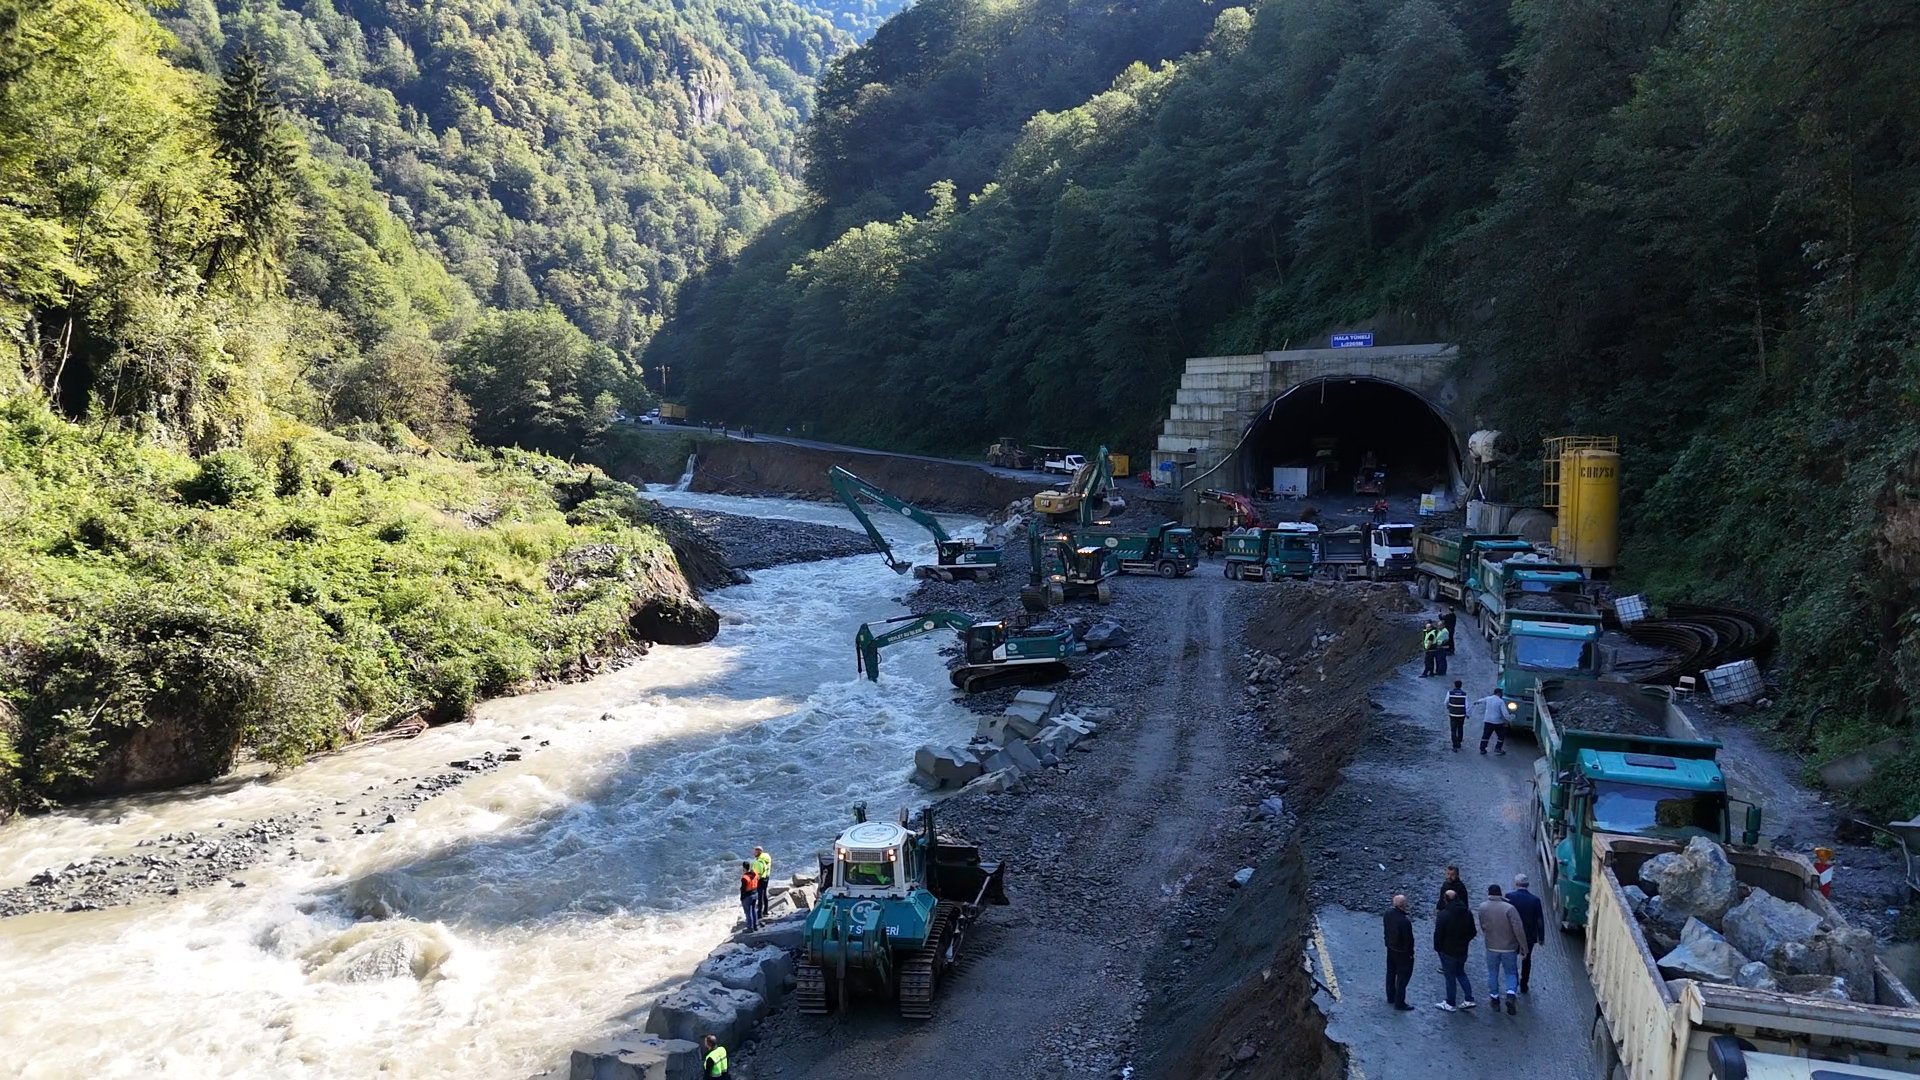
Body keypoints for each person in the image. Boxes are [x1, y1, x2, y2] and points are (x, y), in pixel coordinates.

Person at [1478, 884, 1528, 1014]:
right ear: (1500, 893)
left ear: (1489, 893)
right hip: (1509, 948)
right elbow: (1518, 929)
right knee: (1510, 972)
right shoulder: (1509, 908)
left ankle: (1494, 999)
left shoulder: (1482, 907)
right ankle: (1510, 995)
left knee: (1492, 973)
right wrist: (1523, 946)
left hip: (1491, 946)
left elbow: (1483, 926)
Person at [1432, 889, 1477, 1011]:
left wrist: (1438, 948)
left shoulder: (1443, 915)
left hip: (1447, 951)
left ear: (1445, 900)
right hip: (1462, 950)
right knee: (1461, 973)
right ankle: (1469, 999)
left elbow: (1438, 934)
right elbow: (1473, 932)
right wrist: (1464, 941)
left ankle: (1450, 1002)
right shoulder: (1467, 913)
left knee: (1450, 977)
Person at [1507, 874, 1546, 994]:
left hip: (1512, 934)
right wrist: (1541, 937)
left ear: (1516, 884)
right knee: (1527, 959)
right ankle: (1524, 984)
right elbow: (1539, 919)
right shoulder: (1535, 900)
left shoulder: (1509, 897)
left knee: (1512, 957)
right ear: (1527, 885)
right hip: (1529, 935)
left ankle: (1513, 982)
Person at [1383, 894, 1415, 1011]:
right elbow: (1409, 941)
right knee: (1402, 978)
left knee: (1390, 973)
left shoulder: (1387, 914)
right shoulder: (1404, 922)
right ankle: (1399, 1002)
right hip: (1402, 954)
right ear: (1403, 905)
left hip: (1391, 949)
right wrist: (1410, 953)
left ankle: (1390, 996)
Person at [1477, 686, 1509, 754]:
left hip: (1487, 720)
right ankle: (1498, 748)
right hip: (1497, 722)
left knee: (1486, 735)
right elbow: (1505, 713)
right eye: (1501, 693)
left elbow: (1480, 700)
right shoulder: (1500, 701)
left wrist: (1476, 702)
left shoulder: (1488, 698)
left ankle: (1482, 749)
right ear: (1499, 693)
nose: (1502, 694)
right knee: (1501, 736)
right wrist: (1509, 719)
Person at [1445, 680, 1469, 752]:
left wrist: (1448, 707)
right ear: (1461, 686)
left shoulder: (1450, 693)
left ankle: (1454, 745)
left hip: (1453, 714)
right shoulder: (1464, 694)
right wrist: (1467, 714)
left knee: (1453, 729)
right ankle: (1459, 742)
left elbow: (1446, 702)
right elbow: (1467, 705)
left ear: (1454, 685)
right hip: (1461, 714)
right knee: (1460, 727)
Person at [739, 861, 760, 933]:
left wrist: (741, 898)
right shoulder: (755, 874)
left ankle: (750, 928)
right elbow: (758, 879)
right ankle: (755, 926)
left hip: (748, 896)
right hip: (755, 893)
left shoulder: (745, 878)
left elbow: (743, 889)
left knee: (748, 912)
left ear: (744, 868)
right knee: (753, 910)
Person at [752, 846, 773, 918]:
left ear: (759, 852)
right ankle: (765, 911)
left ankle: (759, 914)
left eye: (755, 851)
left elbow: (758, 873)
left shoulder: (759, 862)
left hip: (760, 880)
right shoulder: (766, 858)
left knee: (760, 896)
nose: (753, 853)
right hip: (766, 877)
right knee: (764, 894)